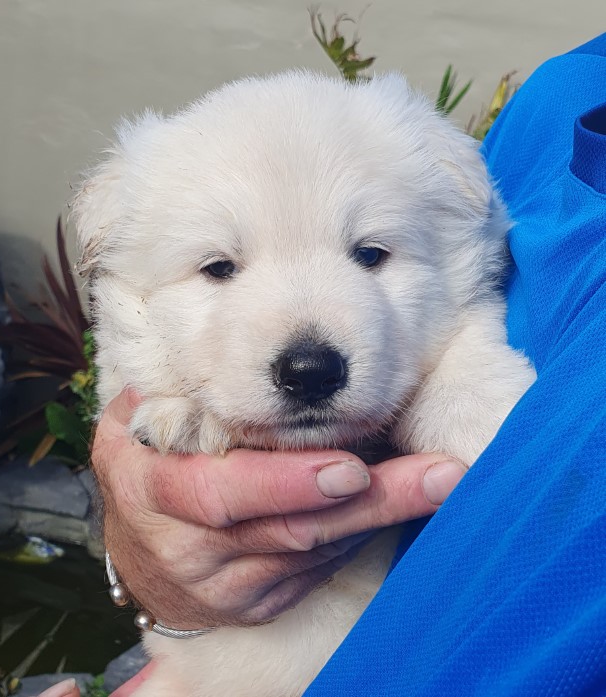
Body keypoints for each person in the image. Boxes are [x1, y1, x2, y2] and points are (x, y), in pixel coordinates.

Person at [42, 33, 606, 697]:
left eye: (370, 254)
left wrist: (459, 376)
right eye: (219, 267)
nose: (308, 354)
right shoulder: (562, 100)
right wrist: (142, 562)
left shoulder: (449, 179)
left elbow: (471, 282)